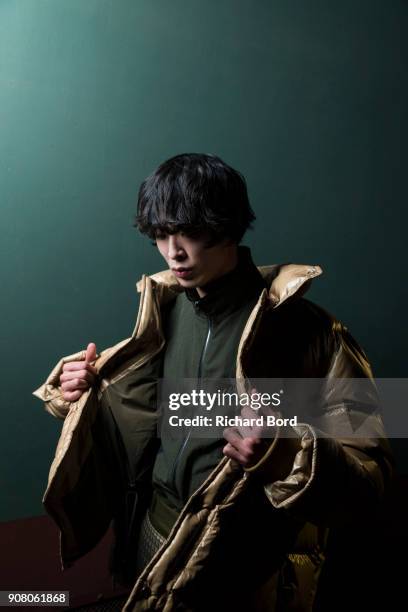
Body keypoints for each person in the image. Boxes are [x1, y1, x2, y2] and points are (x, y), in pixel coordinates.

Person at [34, 153, 393, 612]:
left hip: (243, 563)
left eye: (190, 232)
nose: (173, 252)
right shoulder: (163, 314)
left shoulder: (311, 333)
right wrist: (78, 391)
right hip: (149, 540)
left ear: (228, 225)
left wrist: (284, 456)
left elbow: (373, 477)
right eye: (161, 235)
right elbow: (148, 423)